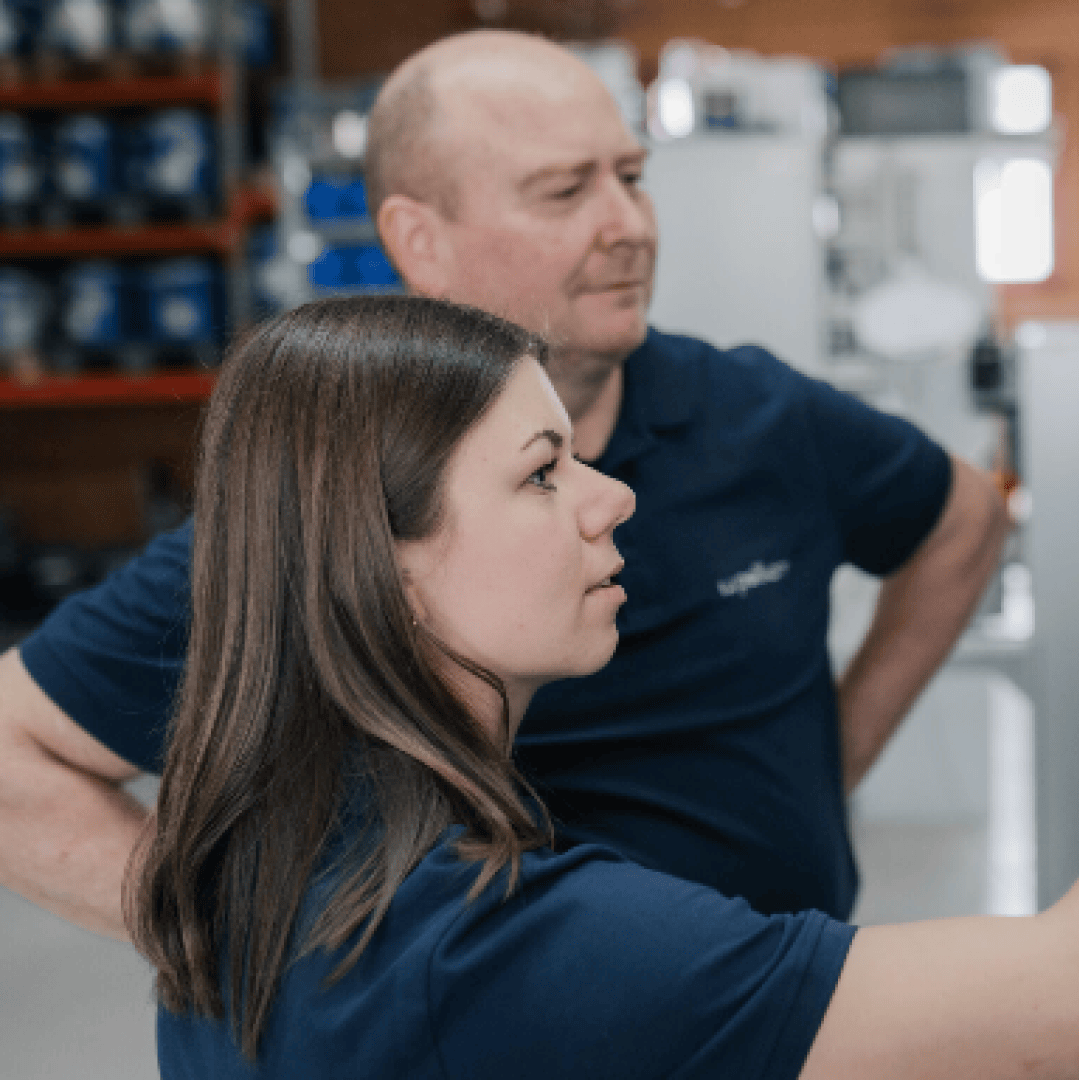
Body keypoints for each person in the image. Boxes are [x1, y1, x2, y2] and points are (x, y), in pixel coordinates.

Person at [135, 297, 1079, 1078]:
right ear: (387, 567)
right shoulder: (500, 944)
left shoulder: (253, 860)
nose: (614, 496)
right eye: (543, 473)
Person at [0, 30, 1008, 938]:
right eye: (565, 192)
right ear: (418, 240)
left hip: (777, 1007)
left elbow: (959, 519)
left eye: (631, 176)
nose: (629, 225)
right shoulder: (337, 505)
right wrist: (223, 939)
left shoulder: (761, 417)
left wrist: (833, 770)